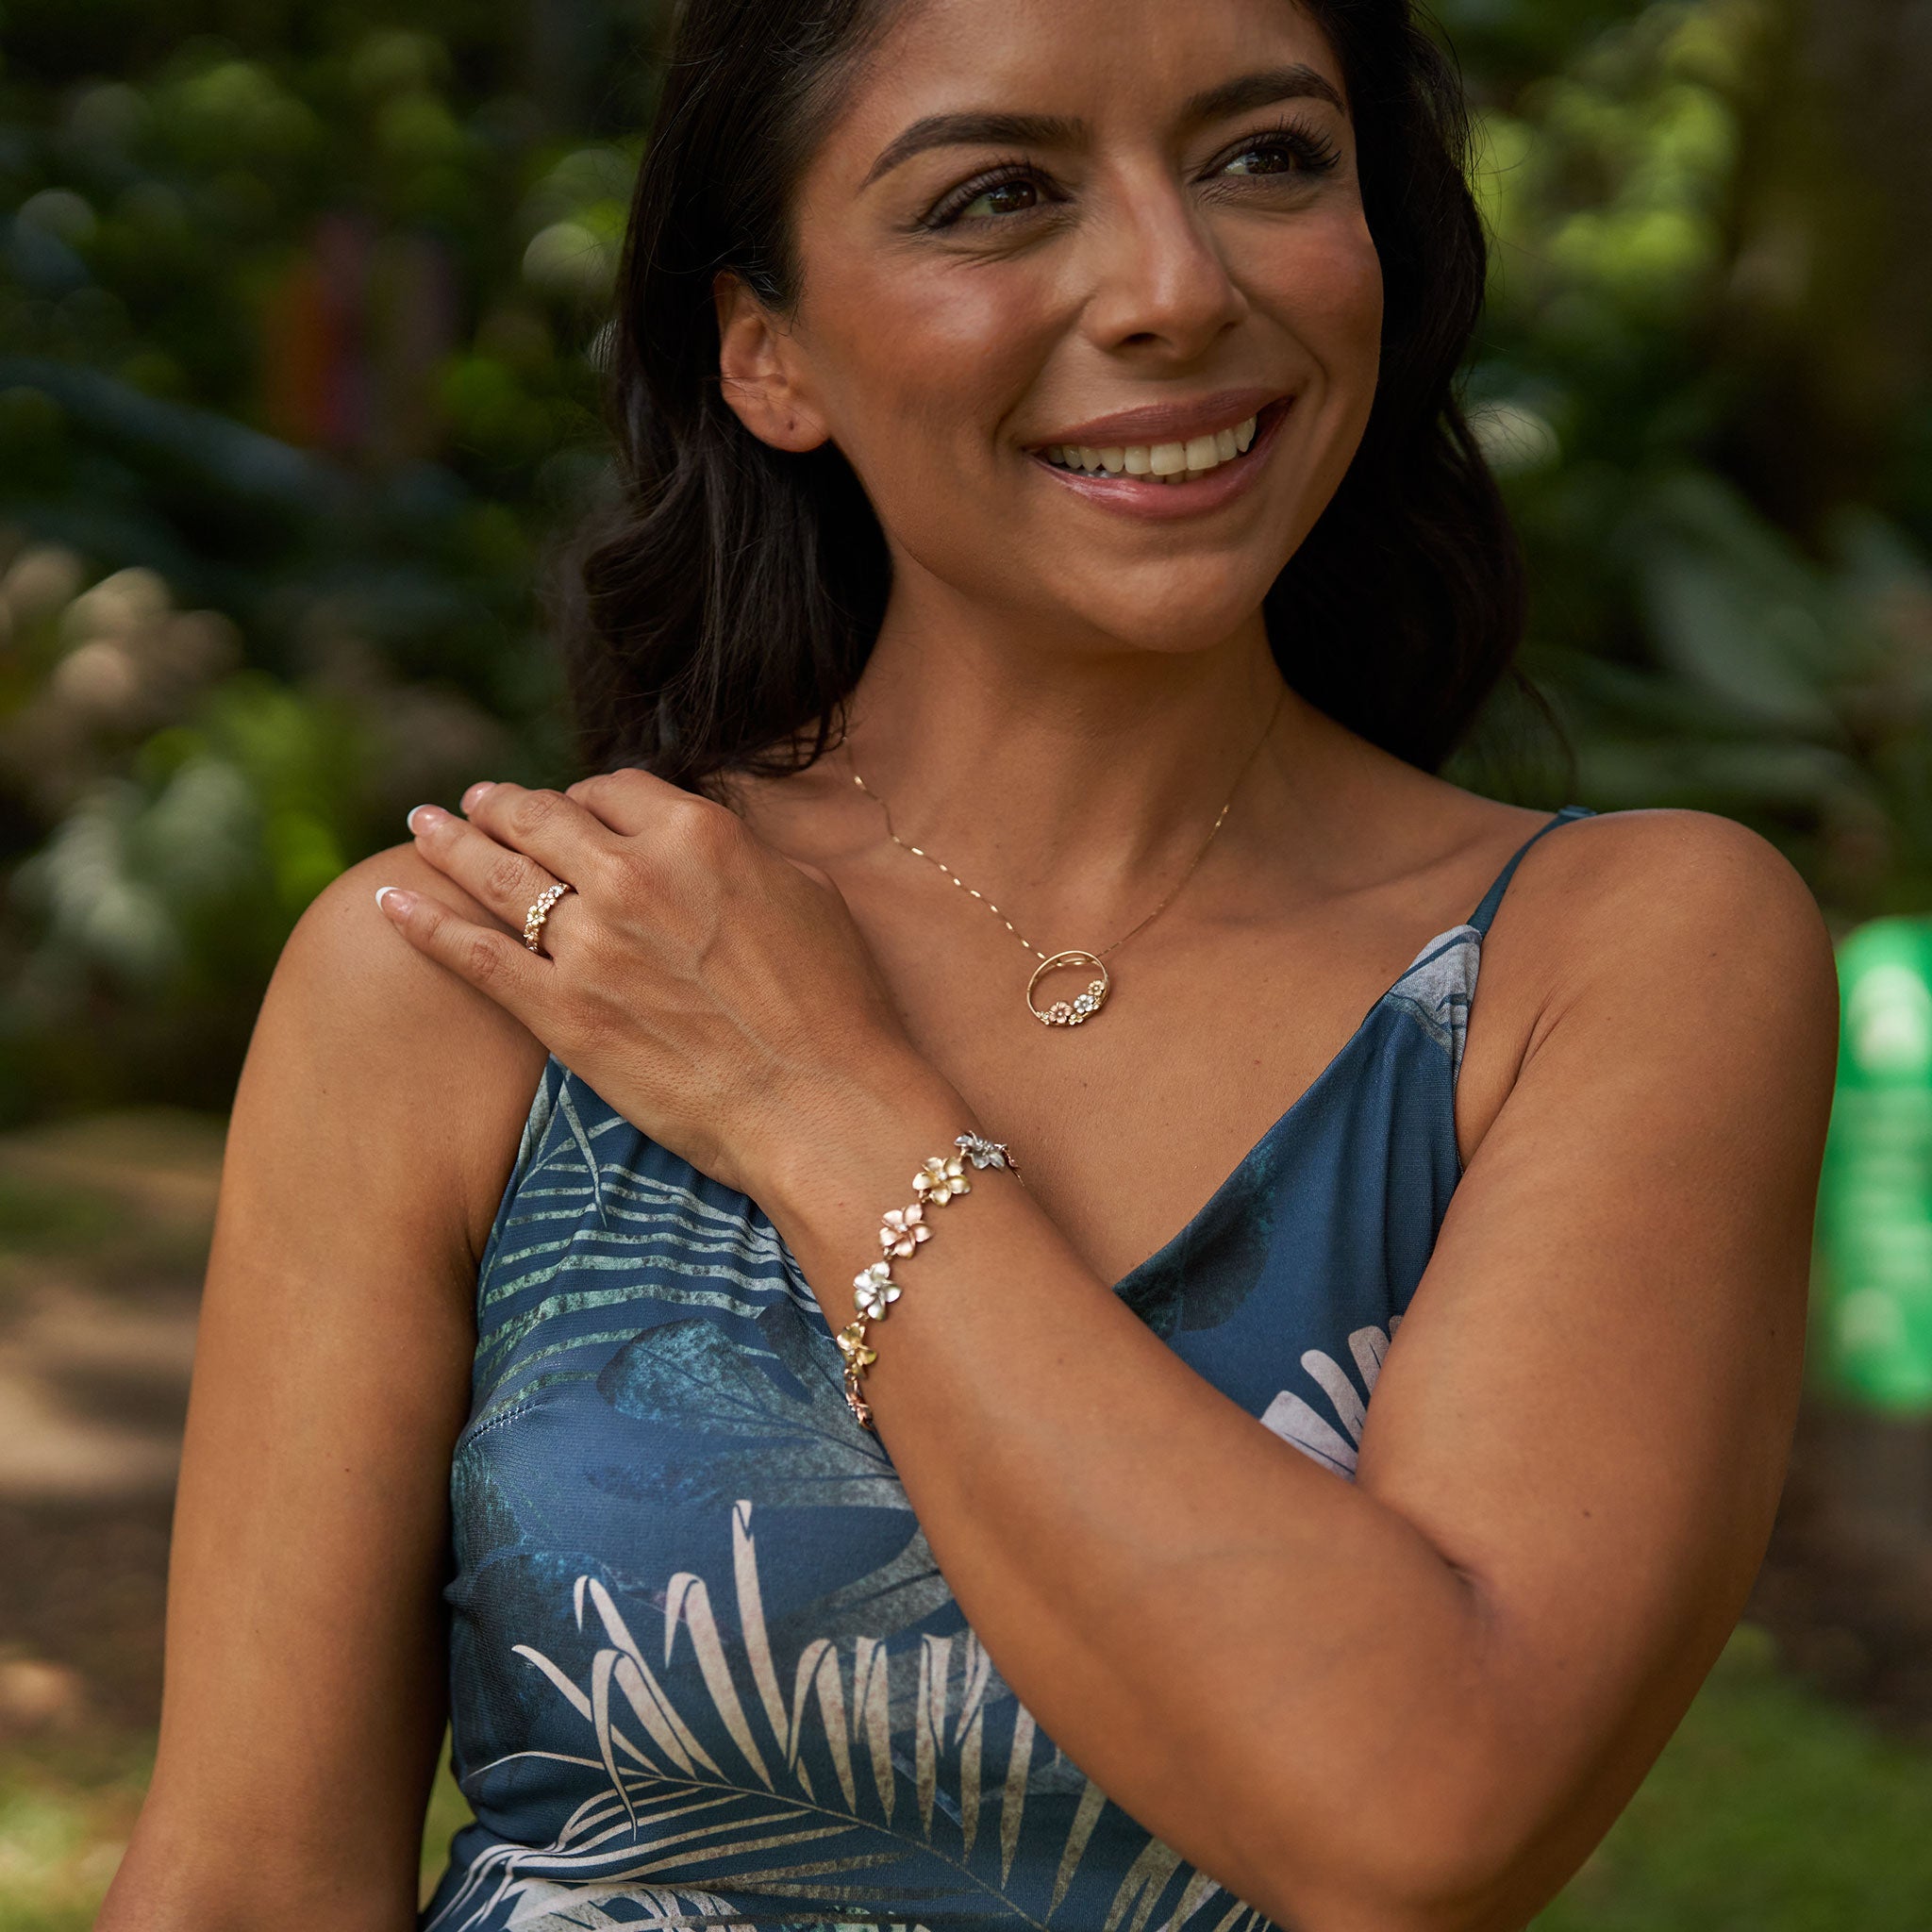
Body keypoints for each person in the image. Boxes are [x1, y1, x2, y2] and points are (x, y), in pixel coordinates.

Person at [98, 1, 1840, 1927]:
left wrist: (816, 1103)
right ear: (766, 352)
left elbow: (1418, 1821)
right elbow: (245, 1882)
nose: (1175, 289)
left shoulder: (1609, 959)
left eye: (1266, 157)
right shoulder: (484, 972)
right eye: (996, 194)